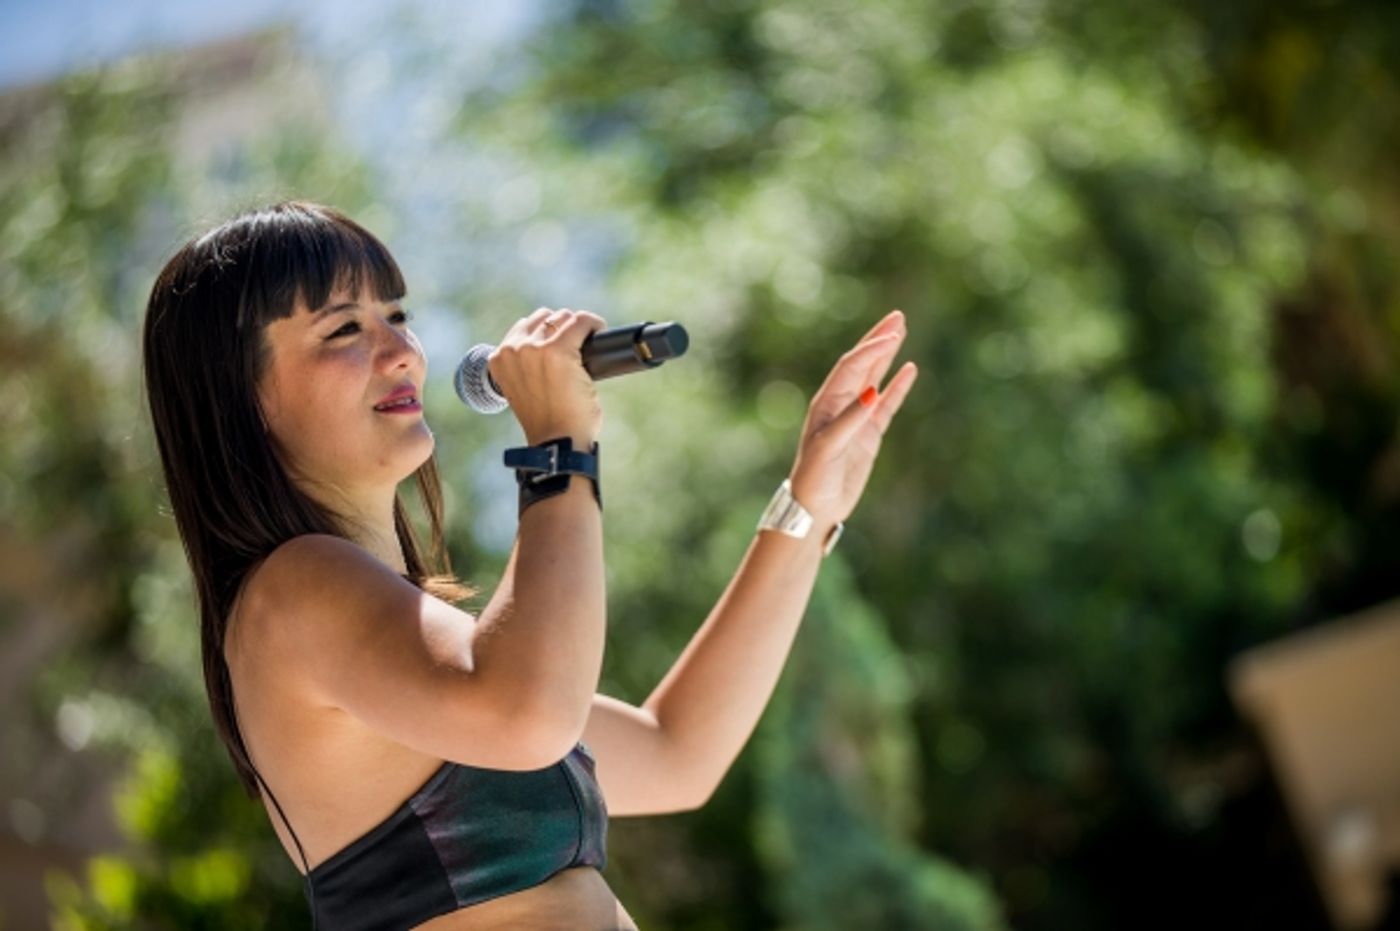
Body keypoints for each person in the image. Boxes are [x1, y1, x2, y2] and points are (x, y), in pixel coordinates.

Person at [141, 199, 917, 930]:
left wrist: (808, 505)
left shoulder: (412, 642)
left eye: (398, 316)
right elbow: (531, 713)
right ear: (241, 396)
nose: (402, 350)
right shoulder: (293, 590)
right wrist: (556, 446)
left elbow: (679, 751)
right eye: (344, 328)